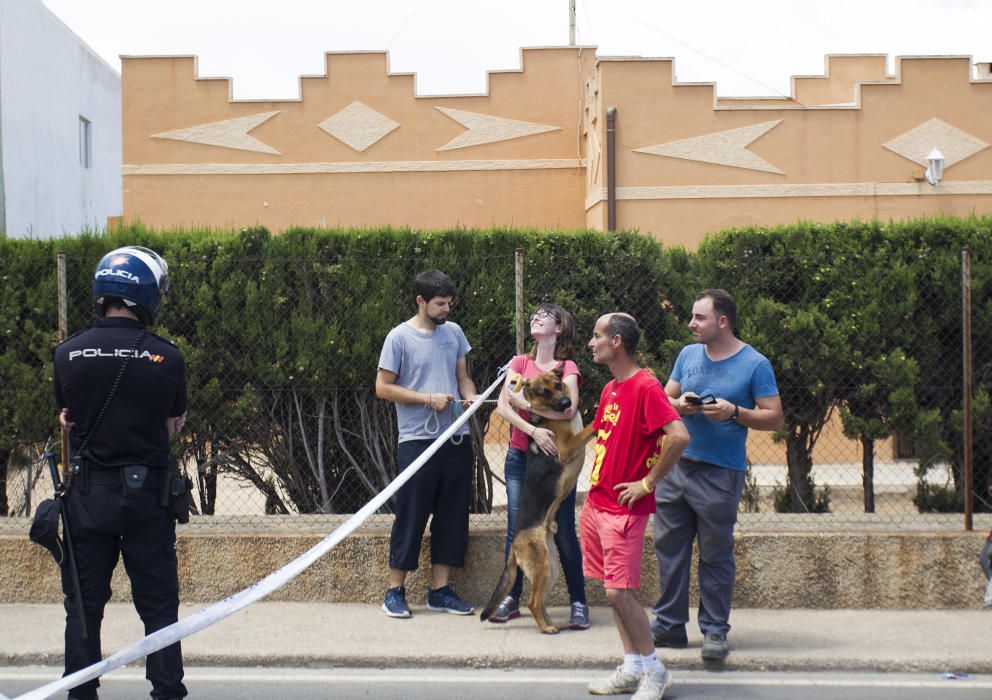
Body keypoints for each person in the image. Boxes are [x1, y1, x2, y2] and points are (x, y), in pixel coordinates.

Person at [53, 246, 188, 700]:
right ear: (147, 294)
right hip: (147, 497)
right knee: (159, 607)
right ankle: (167, 691)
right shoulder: (167, 358)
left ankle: (80, 692)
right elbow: (173, 423)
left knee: (84, 606)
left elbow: (68, 419)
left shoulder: (66, 354)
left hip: (89, 498)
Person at [651, 289, 783, 662]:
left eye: (699, 318)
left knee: (715, 554)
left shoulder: (755, 363)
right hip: (676, 467)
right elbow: (665, 399)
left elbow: (774, 417)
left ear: (722, 321)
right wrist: (681, 407)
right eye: (692, 317)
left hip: (719, 473)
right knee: (670, 551)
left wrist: (734, 412)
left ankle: (714, 632)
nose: (691, 324)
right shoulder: (687, 355)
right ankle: (670, 626)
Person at [583, 313, 689, 700]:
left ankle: (655, 670)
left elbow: (678, 437)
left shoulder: (646, 386)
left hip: (623, 510)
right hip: (597, 503)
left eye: (597, 336)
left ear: (617, 341)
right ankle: (632, 667)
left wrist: (647, 483)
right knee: (613, 589)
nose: (591, 343)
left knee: (618, 594)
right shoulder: (612, 387)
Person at [376, 269, 479, 618]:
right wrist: (426, 399)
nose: (446, 310)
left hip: (455, 439)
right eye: (439, 304)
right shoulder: (398, 338)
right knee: (411, 514)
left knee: (452, 516)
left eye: (449, 303)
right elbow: (383, 387)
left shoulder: (454, 333)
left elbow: (463, 377)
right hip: (417, 442)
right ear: (421, 301)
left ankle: (440, 591)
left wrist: (471, 398)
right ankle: (395, 591)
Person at [489, 302, 589, 629]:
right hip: (521, 457)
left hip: (555, 462)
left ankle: (578, 602)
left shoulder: (566, 367)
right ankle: (511, 599)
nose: (536, 317)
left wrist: (526, 404)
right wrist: (533, 429)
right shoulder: (520, 362)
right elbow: (504, 407)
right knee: (518, 528)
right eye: (534, 314)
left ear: (558, 328)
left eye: (545, 316)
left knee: (563, 531)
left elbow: (569, 408)